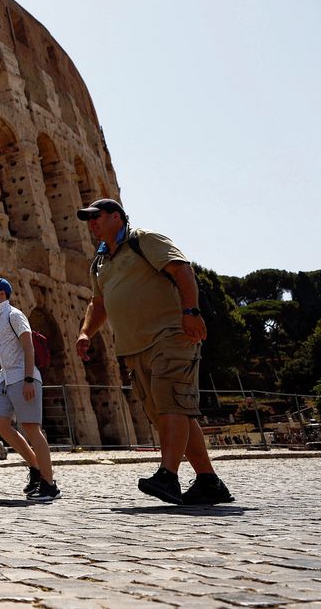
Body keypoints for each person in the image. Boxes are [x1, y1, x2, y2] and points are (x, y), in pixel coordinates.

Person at [75, 198, 234, 506]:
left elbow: (182, 270)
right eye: (88, 219)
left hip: (170, 335)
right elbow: (100, 303)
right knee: (171, 411)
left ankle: (168, 475)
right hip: (134, 347)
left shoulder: (143, 240)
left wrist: (190, 310)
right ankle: (209, 481)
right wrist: (86, 332)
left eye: (97, 216)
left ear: (117, 218)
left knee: (171, 404)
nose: (92, 223)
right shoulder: (100, 261)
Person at [0, 277, 59, 502]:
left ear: (2, 294)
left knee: (32, 428)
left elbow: (28, 346)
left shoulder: (14, 315)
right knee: (0, 424)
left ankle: (50, 485)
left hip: (23, 377)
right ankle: (35, 468)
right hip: (6, 378)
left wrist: (29, 379)